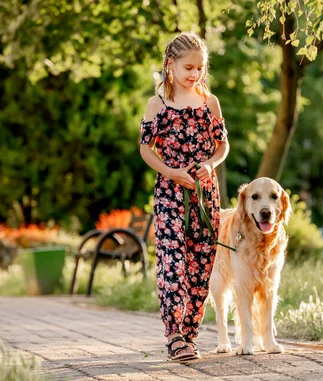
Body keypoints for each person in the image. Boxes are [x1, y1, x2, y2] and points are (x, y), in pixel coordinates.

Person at [139, 32, 229, 362]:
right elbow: (145, 149)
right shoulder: (157, 105)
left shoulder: (210, 102)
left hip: (204, 196)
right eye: (188, 67)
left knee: (201, 264)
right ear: (170, 65)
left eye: (200, 68)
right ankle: (174, 335)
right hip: (169, 193)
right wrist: (170, 172)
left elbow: (222, 146)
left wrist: (209, 163)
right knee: (172, 262)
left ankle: (190, 335)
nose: (194, 74)